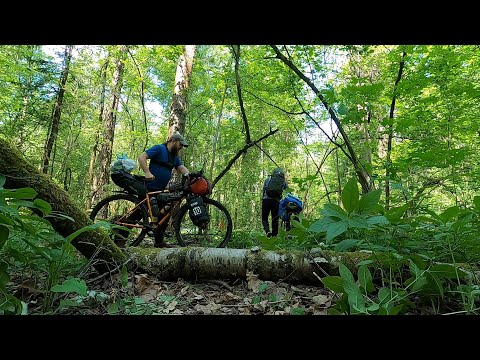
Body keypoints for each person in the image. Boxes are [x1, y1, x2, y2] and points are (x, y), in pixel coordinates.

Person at [138, 132, 190, 248]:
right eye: (180, 144)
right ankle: (118, 240)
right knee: (137, 215)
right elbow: (142, 157)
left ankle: (159, 242)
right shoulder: (159, 148)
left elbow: (181, 168)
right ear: (173, 140)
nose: (181, 147)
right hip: (149, 189)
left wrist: (190, 176)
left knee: (164, 215)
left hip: (160, 191)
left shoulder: (174, 157)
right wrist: (147, 172)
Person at [261, 167, 288, 237]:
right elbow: (287, 190)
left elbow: (264, 190)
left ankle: (267, 231)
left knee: (264, 218)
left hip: (266, 200)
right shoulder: (282, 181)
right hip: (276, 201)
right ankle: (274, 236)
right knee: (275, 219)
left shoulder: (268, 179)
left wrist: (262, 199)